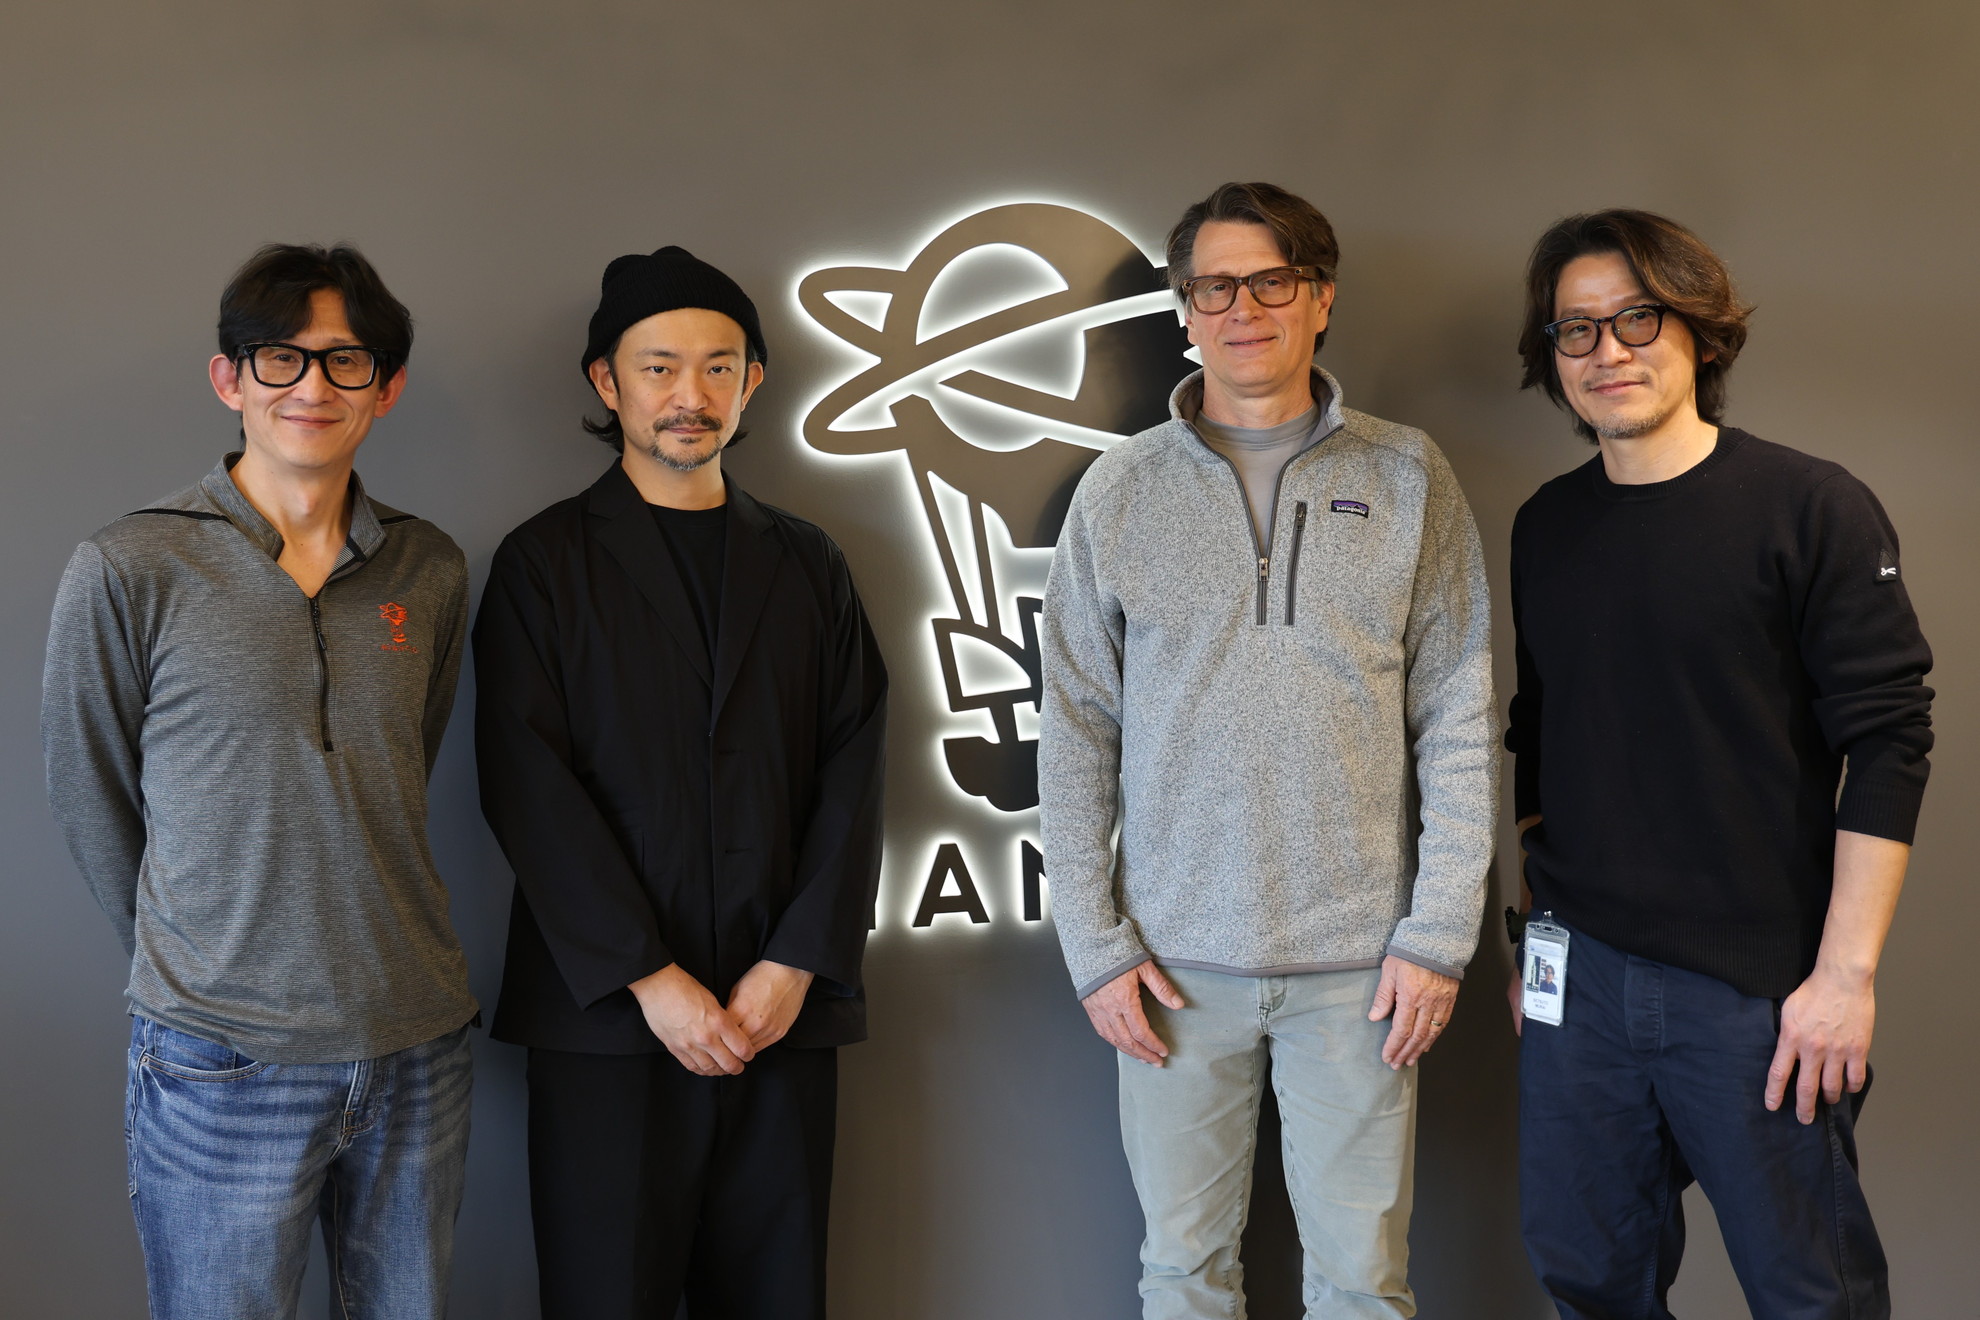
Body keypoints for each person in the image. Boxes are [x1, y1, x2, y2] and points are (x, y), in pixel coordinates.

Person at [1039, 181, 1498, 1318]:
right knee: (1183, 1276)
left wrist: (1437, 937)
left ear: (1321, 298)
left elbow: (1458, 717)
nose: (1243, 309)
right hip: (1172, 969)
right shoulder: (1120, 490)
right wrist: (1095, 945)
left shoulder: (1407, 476)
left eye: (1272, 282)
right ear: (1184, 308)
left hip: (1363, 971)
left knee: (1363, 1283)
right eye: (1214, 287)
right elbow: (1076, 729)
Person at [1505, 209, 1933, 1319]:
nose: (1608, 350)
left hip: (1757, 992)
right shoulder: (1547, 526)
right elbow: (1537, 738)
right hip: (1578, 981)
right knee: (1589, 1281)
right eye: (1576, 329)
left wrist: (1845, 979)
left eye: (1638, 318)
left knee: (1811, 1295)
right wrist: (1536, 939)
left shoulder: (1811, 507)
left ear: (1700, 331)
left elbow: (1889, 741)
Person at [42, 243, 477, 1319]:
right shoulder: (131, 565)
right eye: (281, 358)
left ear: (386, 388)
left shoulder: (430, 567)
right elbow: (89, 789)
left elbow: (407, 759)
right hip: (220, 1057)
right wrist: (199, 961)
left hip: (416, 1042)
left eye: (345, 361)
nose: (312, 387)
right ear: (229, 380)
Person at [474, 245, 888, 1320]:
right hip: (607, 1022)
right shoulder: (542, 563)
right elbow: (527, 784)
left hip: (775, 1016)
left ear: (753, 383)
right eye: (658, 367)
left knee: (777, 1297)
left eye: (718, 367)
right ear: (607, 383)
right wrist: (650, 978)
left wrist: (793, 965)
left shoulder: (808, 563)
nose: (688, 395)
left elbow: (854, 765)